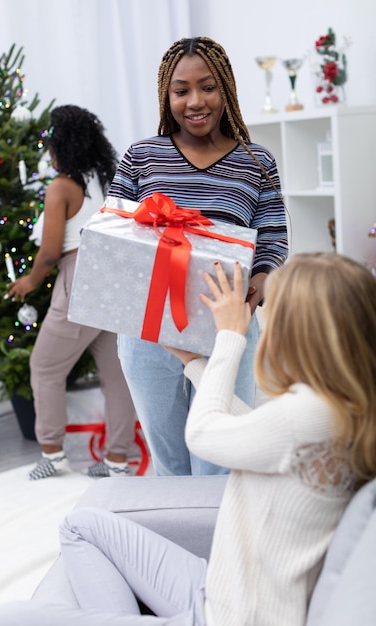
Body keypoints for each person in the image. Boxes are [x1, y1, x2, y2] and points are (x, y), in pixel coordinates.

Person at [0, 252, 376, 626]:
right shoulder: (341, 406)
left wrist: (229, 339)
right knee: (82, 525)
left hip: (232, 617)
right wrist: (193, 363)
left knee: (1, 619)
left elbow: (203, 435)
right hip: (217, 589)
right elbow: (250, 431)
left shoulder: (307, 414)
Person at [108, 36, 288, 475]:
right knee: (171, 465)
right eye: (181, 90)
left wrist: (245, 307)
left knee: (221, 462)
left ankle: (220, 545)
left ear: (225, 88)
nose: (195, 101)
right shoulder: (141, 157)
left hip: (228, 334)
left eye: (207, 87)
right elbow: (113, 237)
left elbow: (274, 246)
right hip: (149, 335)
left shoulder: (256, 162)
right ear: (165, 96)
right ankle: (180, 545)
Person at [7, 104, 137, 481]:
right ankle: (117, 461)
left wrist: (29, 281)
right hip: (115, 277)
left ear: (60, 145)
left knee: (45, 367)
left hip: (79, 277)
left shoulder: (61, 187)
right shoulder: (106, 180)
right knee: (115, 374)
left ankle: (52, 452)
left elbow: (49, 252)